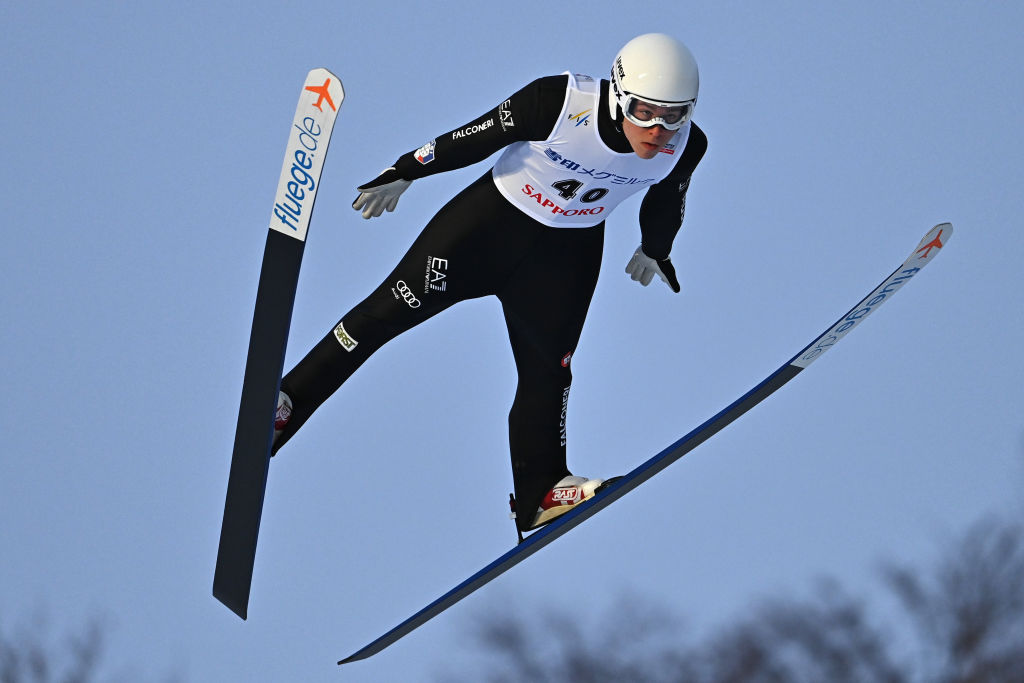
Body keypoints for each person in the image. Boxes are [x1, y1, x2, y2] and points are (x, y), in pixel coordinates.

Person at [272, 33, 708, 534]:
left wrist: (656, 248)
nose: (658, 129)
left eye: (674, 115)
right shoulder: (559, 101)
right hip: (486, 232)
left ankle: (541, 493)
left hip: (564, 258)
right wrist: (407, 168)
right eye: (645, 111)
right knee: (382, 316)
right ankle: (284, 405)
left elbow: (667, 197)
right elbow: (474, 136)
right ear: (618, 94)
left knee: (551, 373)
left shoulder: (686, 145)